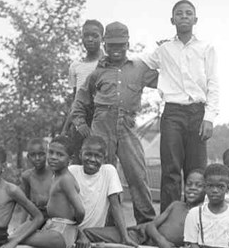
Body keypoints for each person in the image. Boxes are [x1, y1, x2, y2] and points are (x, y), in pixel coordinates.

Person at [72, 21, 158, 225]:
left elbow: (169, 80)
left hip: (127, 124)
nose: (116, 50)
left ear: (128, 44)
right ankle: (103, 223)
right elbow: (81, 100)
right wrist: (81, 124)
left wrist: (167, 53)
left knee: (137, 173)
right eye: (111, 45)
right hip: (102, 124)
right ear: (105, 45)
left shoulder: (139, 68)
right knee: (102, 174)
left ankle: (146, 223)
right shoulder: (97, 72)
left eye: (120, 45)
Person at [140, 0, 219, 212]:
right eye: (179, 13)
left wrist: (209, 117)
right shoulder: (164, 49)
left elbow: (213, 83)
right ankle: (169, 220)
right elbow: (140, 64)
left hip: (197, 113)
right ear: (172, 19)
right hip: (172, 113)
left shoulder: (206, 48)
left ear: (195, 19)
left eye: (188, 13)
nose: (184, 16)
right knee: (171, 170)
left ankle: (197, 221)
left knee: (196, 171)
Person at [84, 168, 206, 248]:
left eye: (199, 185)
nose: (192, 188)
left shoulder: (202, 215)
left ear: (206, 189)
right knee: (91, 238)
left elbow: (196, 242)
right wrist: (161, 241)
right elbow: (150, 226)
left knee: (88, 233)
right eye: (189, 184)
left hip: (143, 246)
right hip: (138, 234)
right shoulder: (176, 205)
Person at [61, 19, 105, 162]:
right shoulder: (76, 66)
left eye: (95, 35)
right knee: (78, 161)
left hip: (103, 116)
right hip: (81, 120)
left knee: (102, 160)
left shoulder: (108, 62)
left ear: (102, 38)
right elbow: (75, 100)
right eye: (86, 35)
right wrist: (66, 128)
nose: (90, 39)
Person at [18, 138, 52, 222]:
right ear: (28, 157)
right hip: (36, 219)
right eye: (33, 155)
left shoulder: (54, 173)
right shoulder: (27, 176)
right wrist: (21, 225)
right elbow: (26, 203)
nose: (37, 158)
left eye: (41, 154)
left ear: (47, 154)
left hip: (53, 219)